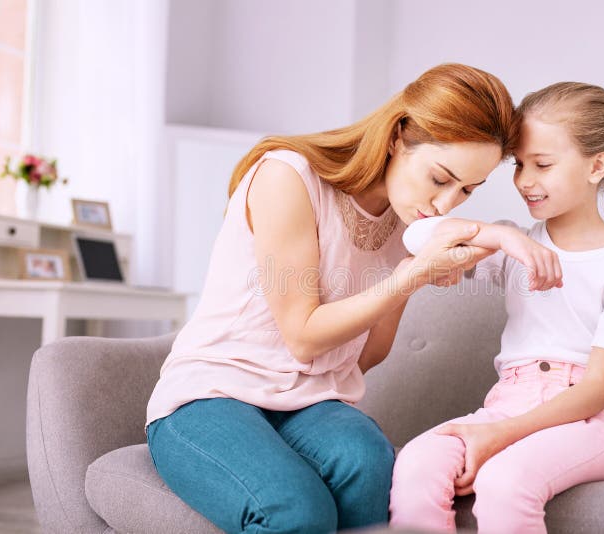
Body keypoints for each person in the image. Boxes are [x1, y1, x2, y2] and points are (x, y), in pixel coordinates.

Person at [144, 64, 563, 534]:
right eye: (440, 179)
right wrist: (409, 277)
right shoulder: (287, 177)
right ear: (397, 138)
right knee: (296, 511)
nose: (445, 204)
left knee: (369, 466)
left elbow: (364, 358)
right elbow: (303, 339)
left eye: (467, 189)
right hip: (211, 394)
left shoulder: (408, 218)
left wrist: (417, 272)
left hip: (310, 402)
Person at [390, 82, 604, 533]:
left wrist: (499, 435)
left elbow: (595, 392)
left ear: (597, 165)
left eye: (542, 165)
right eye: (520, 164)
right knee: (417, 463)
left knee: (504, 479)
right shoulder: (515, 245)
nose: (525, 180)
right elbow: (418, 238)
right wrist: (502, 236)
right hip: (507, 404)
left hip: (590, 421)